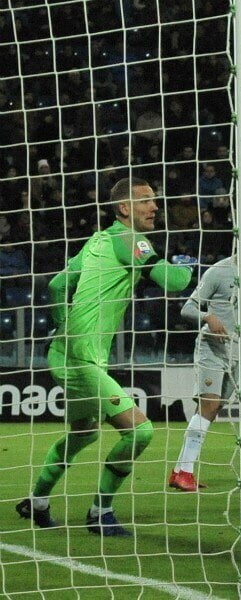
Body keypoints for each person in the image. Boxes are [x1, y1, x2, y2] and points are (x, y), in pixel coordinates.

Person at [17, 178, 194, 536]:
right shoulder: (130, 239)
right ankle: (101, 513)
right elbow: (174, 282)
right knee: (140, 431)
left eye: (154, 201)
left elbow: (55, 286)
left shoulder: (98, 240)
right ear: (124, 208)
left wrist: (62, 323)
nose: (154, 207)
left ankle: (35, 502)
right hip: (81, 358)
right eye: (145, 201)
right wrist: (189, 266)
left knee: (84, 434)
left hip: (67, 352)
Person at [170, 254, 237, 492]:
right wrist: (208, 317)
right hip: (212, 349)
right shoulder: (219, 271)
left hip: (239, 353)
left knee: (212, 410)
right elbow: (188, 309)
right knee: (209, 405)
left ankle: (179, 471)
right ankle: (185, 472)